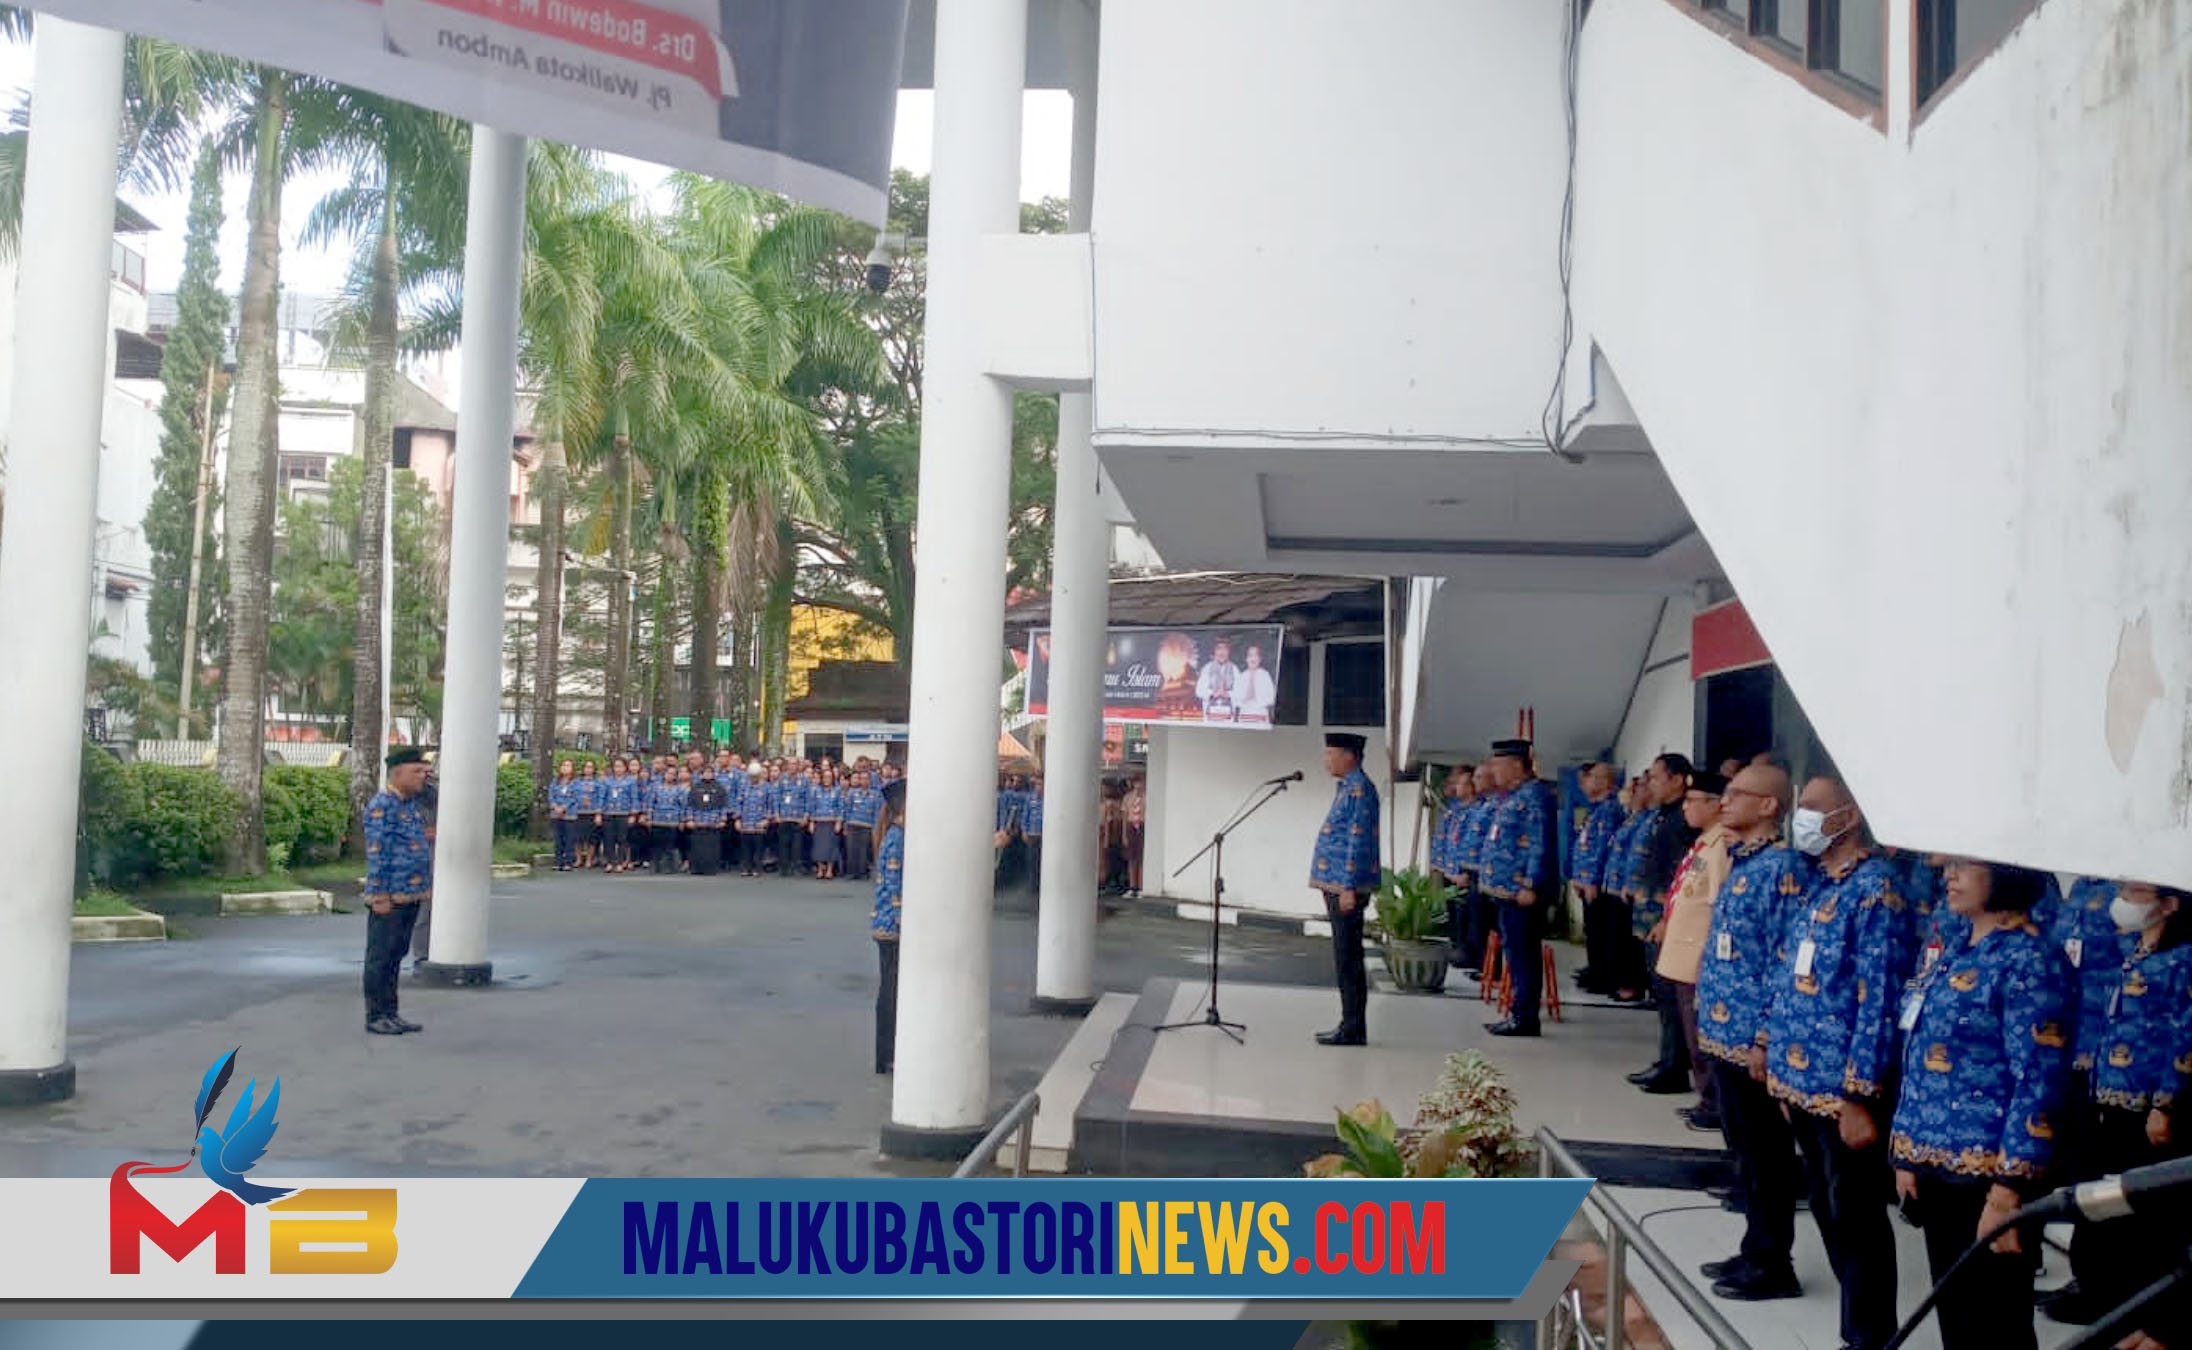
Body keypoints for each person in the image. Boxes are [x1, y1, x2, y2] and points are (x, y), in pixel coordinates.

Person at [1756, 776, 1913, 1347]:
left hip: (1842, 1087)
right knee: (1826, 1204)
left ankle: (1870, 1336)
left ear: (1849, 816)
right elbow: (1789, 974)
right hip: (1801, 1079)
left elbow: (1879, 999)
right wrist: (1777, 1062)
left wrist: (1859, 1095)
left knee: (1856, 1213)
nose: (1802, 817)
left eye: (1814, 809)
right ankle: (1856, 1327)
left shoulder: (1877, 891)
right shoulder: (1821, 884)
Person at [1890, 860, 2072, 1350]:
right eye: (1949, 866)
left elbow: (2038, 1080)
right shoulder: (1959, 947)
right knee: (1958, 1315)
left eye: (1966, 867)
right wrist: (1908, 1152)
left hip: (1989, 1175)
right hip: (1938, 1164)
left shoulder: (2031, 960)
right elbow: (1921, 1051)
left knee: (1994, 1322)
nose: (1949, 876)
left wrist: (2007, 1190)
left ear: (2005, 874)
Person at [1692, 763, 1811, 1301]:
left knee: (1767, 1154)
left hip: (1750, 1041)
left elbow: (1785, 960)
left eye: (1737, 794)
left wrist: (1765, 1038)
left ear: (1768, 806)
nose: (1725, 801)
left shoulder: (1784, 868)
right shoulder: (1743, 861)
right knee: (1744, 1151)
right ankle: (1754, 1247)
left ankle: (1772, 1262)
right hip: (1723, 1031)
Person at [2058, 881, 2192, 1344]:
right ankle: (2109, 1311)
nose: (2123, 901)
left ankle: (2147, 1320)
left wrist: (2165, 1104)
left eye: (2136, 893)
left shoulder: (2183, 960)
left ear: (2169, 905)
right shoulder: (2135, 952)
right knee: (2103, 1212)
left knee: (2146, 1222)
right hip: (2110, 1101)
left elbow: (2185, 1037)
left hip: (2147, 1110)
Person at [1652, 771, 1732, 1132]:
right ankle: (1705, 1098)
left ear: (1715, 804)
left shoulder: (1720, 846)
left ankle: (1714, 1103)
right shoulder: (1704, 842)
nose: (1686, 808)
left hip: (1696, 957)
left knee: (1700, 1037)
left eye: (1693, 801)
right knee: (1689, 1032)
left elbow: (1715, 907)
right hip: (1681, 955)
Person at [1630, 755, 1700, 1087]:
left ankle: (1674, 1067)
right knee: (1662, 994)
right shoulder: (1661, 815)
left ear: (1677, 780)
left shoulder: (1683, 822)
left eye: (1657, 778)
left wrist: (1666, 918)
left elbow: (1681, 878)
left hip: (1667, 917)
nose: (1651, 785)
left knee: (1672, 996)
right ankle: (1667, 1059)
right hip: (1651, 915)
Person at [1481, 739, 1557, 1037]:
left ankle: (1525, 1017)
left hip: (1520, 893)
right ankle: (1519, 1012)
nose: (1493, 771)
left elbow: (1540, 843)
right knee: (1515, 954)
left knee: (1524, 956)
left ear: (1516, 765)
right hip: (1505, 892)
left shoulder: (1534, 795)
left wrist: (1531, 883)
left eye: (1498, 765)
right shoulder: (1511, 796)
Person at [1311, 732, 1380, 1047]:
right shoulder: (1347, 787)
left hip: (1346, 886)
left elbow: (1358, 841)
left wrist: (1348, 887)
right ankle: (1349, 1023)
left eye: (1331, 754)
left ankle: (1352, 1027)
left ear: (1349, 756)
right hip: (1337, 883)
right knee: (1344, 956)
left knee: (1348, 957)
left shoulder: (1359, 790)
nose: (1326, 760)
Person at [363, 748, 433, 1036]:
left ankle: (391, 1012)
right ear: (398, 773)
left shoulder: (409, 804)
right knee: (380, 957)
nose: (423, 777)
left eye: (425, 771)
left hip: (410, 893)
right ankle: (376, 1015)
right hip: (390, 896)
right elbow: (378, 852)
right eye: (417, 771)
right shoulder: (383, 805)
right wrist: (379, 894)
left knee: (395, 955)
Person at [1569, 762, 1627, 993]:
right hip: (1586, 880)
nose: (1586, 781)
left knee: (1599, 931)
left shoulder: (1609, 810)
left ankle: (1601, 977)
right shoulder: (1596, 809)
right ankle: (1594, 971)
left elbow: (1602, 848)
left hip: (1598, 883)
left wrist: (1592, 879)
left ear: (1605, 781)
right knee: (1592, 930)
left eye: (1592, 776)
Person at [872, 780, 907, 1074]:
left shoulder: (895, 834)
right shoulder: (897, 838)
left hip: (888, 924)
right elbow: (896, 888)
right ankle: (887, 1054)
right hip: (892, 927)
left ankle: (888, 1054)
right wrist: (902, 921)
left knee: (892, 990)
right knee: (891, 992)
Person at [1453, 764, 1501, 977]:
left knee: (1487, 922)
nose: (1476, 782)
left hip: (1485, 872)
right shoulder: (1486, 805)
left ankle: (1489, 967)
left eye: (1480, 777)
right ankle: (1482, 964)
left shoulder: (1496, 805)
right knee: (1477, 921)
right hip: (1473, 870)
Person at [1435, 768, 1477, 964]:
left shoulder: (1476, 810)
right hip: (1450, 870)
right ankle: (1457, 946)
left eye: (1460, 783)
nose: (1455, 786)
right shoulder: (1456, 810)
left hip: (1463, 872)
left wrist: (1463, 871)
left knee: (1465, 916)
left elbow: (1470, 844)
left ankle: (1467, 952)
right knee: (1453, 913)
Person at [686, 764, 729, 876]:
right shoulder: (695, 787)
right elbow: (690, 805)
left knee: (712, 848)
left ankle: (711, 869)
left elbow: (724, 806)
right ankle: (696, 868)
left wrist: (722, 820)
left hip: (713, 822)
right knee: (697, 847)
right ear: (702, 774)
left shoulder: (720, 788)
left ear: (713, 774)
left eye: (710, 772)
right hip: (698, 821)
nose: (707, 774)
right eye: (705, 772)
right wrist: (690, 819)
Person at [646, 768, 685, 874]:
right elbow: (650, 803)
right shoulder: (656, 788)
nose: (669, 776)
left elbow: (682, 806)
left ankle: (670, 866)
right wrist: (649, 818)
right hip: (657, 819)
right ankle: (656, 866)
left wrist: (682, 820)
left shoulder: (679, 789)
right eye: (668, 773)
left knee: (670, 845)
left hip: (673, 820)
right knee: (657, 844)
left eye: (672, 774)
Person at [601, 756, 636, 873]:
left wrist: (633, 814)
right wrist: (599, 812)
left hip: (624, 813)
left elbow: (634, 798)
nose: (618, 769)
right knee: (608, 838)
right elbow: (602, 797)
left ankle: (620, 862)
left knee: (622, 839)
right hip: (609, 812)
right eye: (616, 766)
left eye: (620, 766)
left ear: (625, 768)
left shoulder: (630, 781)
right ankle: (610, 862)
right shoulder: (607, 781)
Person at [737, 762, 772, 877]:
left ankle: (757, 868)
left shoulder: (767, 787)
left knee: (758, 847)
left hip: (759, 822)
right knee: (745, 847)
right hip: (746, 821)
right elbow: (739, 803)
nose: (754, 778)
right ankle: (746, 867)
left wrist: (767, 819)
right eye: (752, 776)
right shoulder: (743, 786)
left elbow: (770, 805)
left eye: (756, 776)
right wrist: (738, 819)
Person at [843, 770, 879, 881]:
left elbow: (876, 812)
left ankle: (862, 872)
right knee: (851, 849)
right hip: (852, 823)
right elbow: (847, 809)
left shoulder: (875, 794)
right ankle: (851, 872)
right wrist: (845, 824)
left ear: (870, 780)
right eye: (862, 779)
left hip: (867, 824)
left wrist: (875, 827)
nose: (864, 781)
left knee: (864, 850)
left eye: (866, 779)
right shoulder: (852, 793)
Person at [775, 765, 810, 878]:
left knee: (797, 845)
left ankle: (796, 867)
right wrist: (777, 814)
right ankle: (784, 868)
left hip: (798, 818)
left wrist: (806, 816)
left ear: (798, 766)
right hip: (784, 817)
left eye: (795, 764)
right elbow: (777, 797)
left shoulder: (804, 780)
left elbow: (807, 799)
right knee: (783, 844)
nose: (792, 767)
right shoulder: (782, 779)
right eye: (790, 764)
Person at [810, 769, 845, 880]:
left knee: (832, 846)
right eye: (825, 777)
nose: (827, 779)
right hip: (819, 821)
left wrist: (839, 822)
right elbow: (812, 806)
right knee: (819, 846)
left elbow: (841, 807)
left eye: (829, 777)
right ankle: (820, 869)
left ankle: (830, 870)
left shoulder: (838, 790)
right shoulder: (816, 790)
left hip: (832, 821)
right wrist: (811, 822)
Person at [1196, 639, 1241, 721]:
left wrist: (1227, 694)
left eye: (1225, 649)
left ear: (1229, 652)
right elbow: (1199, 691)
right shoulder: (1207, 668)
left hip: (1228, 716)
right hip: (1211, 715)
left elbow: (1240, 693)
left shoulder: (1234, 669)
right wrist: (1213, 694)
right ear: (1214, 651)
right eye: (1219, 649)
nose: (1221, 652)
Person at [548, 759, 579, 871]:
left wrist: (564, 807)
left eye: (568, 765)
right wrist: (555, 806)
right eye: (563, 765)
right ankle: (558, 861)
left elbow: (575, 797)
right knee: (558, 839)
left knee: (569, 839)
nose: (565, 768)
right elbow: (551, 795)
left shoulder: (575, 782)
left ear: (572, 769)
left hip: (569, 814)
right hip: (556, 814)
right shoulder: (555, 781)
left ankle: (568, 862)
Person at [1235, 644, 1276, 725]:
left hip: (1260, 714)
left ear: (1260, 659)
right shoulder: (1241, 677)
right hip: (1245, 714)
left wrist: (1258, 702)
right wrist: (1245, 700)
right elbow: (1236, 700)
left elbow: (1272, 698)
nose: (1253, 659)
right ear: (1246, 659)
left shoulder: (1265, 675)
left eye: (1255, 655)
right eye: (1250, 655)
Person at [573, 760, 601, 869]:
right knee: (577, 838)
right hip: (579, 812)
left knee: (591, 838)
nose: (588, 769)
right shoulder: (577, 782)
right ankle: (579, 859)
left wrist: (598, 812)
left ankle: (589, 859)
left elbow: (600, 797)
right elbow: (573, 795)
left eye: (591, 767)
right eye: (586, 767)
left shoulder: (598, 783)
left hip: (592, 812)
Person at [1123, 774, 1147, 897]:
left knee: (1141, 858)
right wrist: (1124, 834)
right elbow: (1124, 816)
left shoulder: (1146, 797)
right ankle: (1132, 886)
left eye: (1140, 782)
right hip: (1131, 825)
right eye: (1136, 782)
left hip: (1142, 826)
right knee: (1131, 858)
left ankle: (1141, 886)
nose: (1138, 785)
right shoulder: (1128, 797)